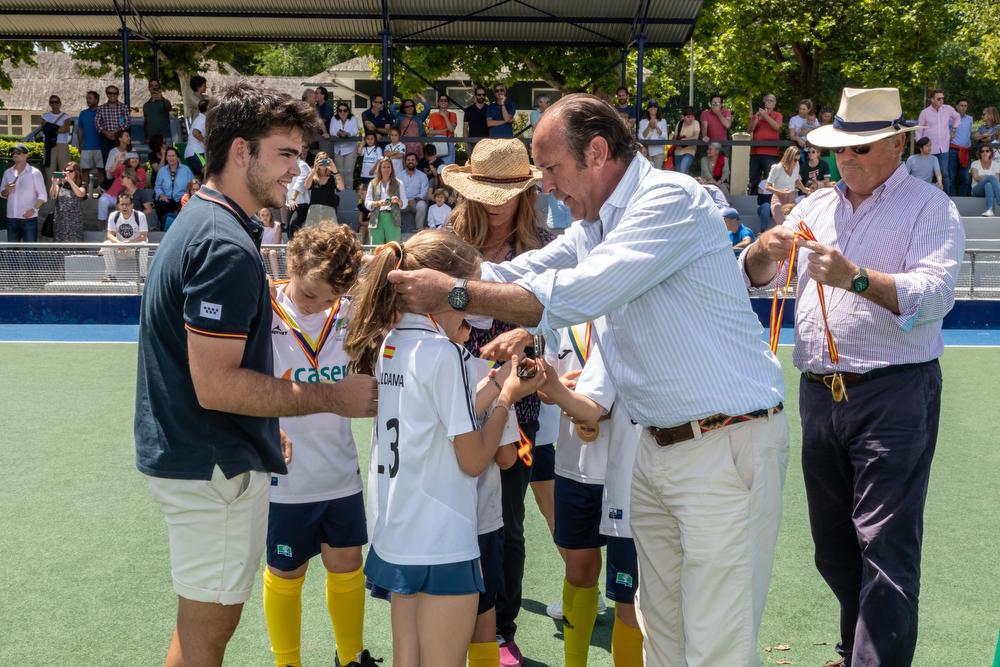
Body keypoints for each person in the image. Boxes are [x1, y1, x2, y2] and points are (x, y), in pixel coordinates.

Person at [387, 94, 788, 667]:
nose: (545, 186)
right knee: (664, 637)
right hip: (663, 447)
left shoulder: (668, 198)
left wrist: (453, 292)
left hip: (722, 445)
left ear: (597, 153)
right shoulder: (596, 224)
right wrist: (418, 267)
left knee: (716, 647)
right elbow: (515, 272)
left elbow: (571, 295)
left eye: (550, 168)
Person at [134, 83, 378, 667]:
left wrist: (271, 419)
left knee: (201, 627)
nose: (297, 171)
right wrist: (334, 398)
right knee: (207, 637)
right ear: (241, 151)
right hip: (211, 463)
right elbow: (215, 384)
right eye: (286, 154)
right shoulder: (223, 241)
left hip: (203, 455)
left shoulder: (208, 222)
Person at [742, 85, 964, 667]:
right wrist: (764, 248)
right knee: (835, 549)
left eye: (862, 148)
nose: (849, 157)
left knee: (885, 546)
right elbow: (758, 275)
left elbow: (937, 295)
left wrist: (856, 278)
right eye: (842, 148)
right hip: (820, 393)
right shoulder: (814, 206)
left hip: (895, 390)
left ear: (897, 143)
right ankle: (852, 647)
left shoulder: (928, 205)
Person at [344, 230, 544, 667]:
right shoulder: (445, 352)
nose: (471, 309)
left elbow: (438, 416)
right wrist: (508, 398)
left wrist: (495, 383)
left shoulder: (392, 345)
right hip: (443, 540)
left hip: (400, 534)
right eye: (464, 296)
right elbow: (472, 459)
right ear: (439, 291)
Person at [262, 223, 379, 667]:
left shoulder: (349, 311)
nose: (318, 306)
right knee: (286, 572)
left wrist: (365, 265)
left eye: (329, 298)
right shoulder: (262, 307)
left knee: (347, 565)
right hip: (284, 479)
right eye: (310, 295)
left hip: (338, 471)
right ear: (291, 266)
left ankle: (350, 656)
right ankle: (287, 661)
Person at [535, 322, 610, 667]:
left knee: (634, 582)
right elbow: (539, 380)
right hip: (574, 467)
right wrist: (550, 389)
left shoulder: (637, 311)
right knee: (579, 569)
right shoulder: (564, 319)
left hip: (629, 466)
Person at [916, 89, 960, 195]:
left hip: (944, 147)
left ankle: (947, 198)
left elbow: (957, 116)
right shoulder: (925, 112)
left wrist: (953, 129)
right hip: (929, 149)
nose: (941, 100)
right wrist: (920, 145)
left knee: (944, 173)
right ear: (932, 99)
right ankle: (929, 197)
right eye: (938, 98)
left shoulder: (948, 109)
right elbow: (919, 130)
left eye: (942, 98)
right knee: (929, 174)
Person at [1, 143, 48, 242]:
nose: (14, 154)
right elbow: (2, 194)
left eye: (18, 152)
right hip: (11, 218)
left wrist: (33, 210)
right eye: (13, 153)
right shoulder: (8, 172)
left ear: (26, 155)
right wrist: (6, 191)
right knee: (12, 253)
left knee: (30, 253)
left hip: (29, 219)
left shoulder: (35, 173)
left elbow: (43, 195)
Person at [102, 190, 149, 279]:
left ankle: (143, 276)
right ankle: (111, 275)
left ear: (132, 205)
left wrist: (129, 243)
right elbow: (109, 234)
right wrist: (120, 243)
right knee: (106, 244)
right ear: (118, 205)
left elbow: (144, 236)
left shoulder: (140, 216)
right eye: (121, 204)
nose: (124, 207)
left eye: (127, 204)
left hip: (134, 249)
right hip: (120, 248)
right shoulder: (113, 215)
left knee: (144, 244)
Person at [747, 93, 783, 194]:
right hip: (755, 152)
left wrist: (765, 116)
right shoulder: (757, 115)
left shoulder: (777, 115)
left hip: (770, 153)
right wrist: (756, 119)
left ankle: (769, 203)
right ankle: (753, 202)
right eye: (767, 100)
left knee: (770, 180)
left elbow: (777, 127)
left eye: (771, 100)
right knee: (753, 180)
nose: (769, 102)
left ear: (774, 104)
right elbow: (749, 130)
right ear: (764, 102)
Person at [364, 157, 405, 245]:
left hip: (393, 218)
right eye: (384, 167)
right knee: (375, 249)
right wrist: (377, 203)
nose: (386, 169)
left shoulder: (399, 183)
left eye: (388, 167)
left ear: (392, 169)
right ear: (380, 169)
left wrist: (398, 201)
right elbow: (367, 203)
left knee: (393, 249)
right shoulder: (373, 183)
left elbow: (404, 203)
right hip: (376, 218)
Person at [99, 152, 147, 224]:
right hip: (111, 195)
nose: (135, 160)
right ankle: (102, 226)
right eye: (133, 158)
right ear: (128, 160)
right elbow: (111, 171)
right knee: (102, 200)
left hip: (126, 197)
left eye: (137, 158)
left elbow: (135, 184)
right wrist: (118, 160)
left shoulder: (141, 171)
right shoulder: (122, 167)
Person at [154, 147, 195, 226]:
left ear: (177, 157)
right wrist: (161, 195)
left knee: (187, 205)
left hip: (181, 198)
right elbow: (157, 186)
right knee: (160, 205)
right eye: (169, 156)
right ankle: (163, 227)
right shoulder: (162, 171)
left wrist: (187, 196)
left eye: (173, 156)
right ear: (166, 158)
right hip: (167, 198)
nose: (171, 158)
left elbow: (192, 185)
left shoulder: (186, 170)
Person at [48, 161, 87, 242]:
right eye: (66, 170)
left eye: (71, 171)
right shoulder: (61, 184)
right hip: (60, 220)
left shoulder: (81, 184)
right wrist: (54, 183)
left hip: (75, 221)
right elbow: (52, 195)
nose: (68, 172)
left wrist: (70, 181)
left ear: (76, 172)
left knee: (74, 242)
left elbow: (80, 194)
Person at [304, 150, 345, 226]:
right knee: (312, 234)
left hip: (329, 209)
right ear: (316, 161)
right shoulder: (313, 177)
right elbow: (306, 186)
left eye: (325, 159)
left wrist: (335, 170)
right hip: (314, 210)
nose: (322, 162)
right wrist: (314, 171)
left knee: (330, 234)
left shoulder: (332, 177)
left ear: (328, 161)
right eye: (320, 159)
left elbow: (341, 188)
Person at [77, 91, 104, 196]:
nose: (88, 100)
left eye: (90, 98)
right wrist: (80, 144)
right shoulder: (83, 113)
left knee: (102, 171)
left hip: (100, 147)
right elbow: (80, 130)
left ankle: (101, 193)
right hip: (86, 147)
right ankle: (84, 194)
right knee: (85, 171)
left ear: (96, 100)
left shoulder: (102, 112)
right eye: (87, 98)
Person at [766, 146, 801, 224]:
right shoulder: (777, 168)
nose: (796, 162)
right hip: (778, 200)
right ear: (789, 157)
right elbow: (767, 186)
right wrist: (782, 192)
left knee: (794, 225)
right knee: (783, 225)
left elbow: (796, 180)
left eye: (798, 160)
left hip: (791, 199)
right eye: (795, 160)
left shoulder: (797, 165)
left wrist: (804, 189)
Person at [330, 103, 359, 191]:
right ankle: (339, 193)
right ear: (337, 112)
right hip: (338, 149)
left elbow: (355, 131)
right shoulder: (334, 118)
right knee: (339, 172)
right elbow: (331, 131)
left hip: (350, 148)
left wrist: (347, 134)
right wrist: (338, 134)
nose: (342, 112)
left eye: (345, 110)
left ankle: (348, 193)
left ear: (348, 111)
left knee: (349, 172)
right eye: (340, 110)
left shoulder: (353, 118)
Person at [96, 85, 129, 163]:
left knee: (122, 161)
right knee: (107, 161)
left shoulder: (123, 107)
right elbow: (97, 123)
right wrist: (106, 133)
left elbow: (126, 122)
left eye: (115, 93)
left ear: (118, 94)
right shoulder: (101, 108)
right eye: (110, 93)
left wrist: (116, 132)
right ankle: (108, 175)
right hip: (106, 139)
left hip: (120, 139)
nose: (112, 95)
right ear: (107, 94)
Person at [286, 143, 313, 238]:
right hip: (290, 203)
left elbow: (299, 183)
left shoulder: (303, 165)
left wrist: (292, 198)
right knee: (288, 228)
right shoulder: (288, 166)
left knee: (294, 226)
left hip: (301, 203)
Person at [40, 95, 72, 176]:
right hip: (49, 145)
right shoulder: (45, 116)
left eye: (56, 102)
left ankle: (64, 188)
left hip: (62, 144)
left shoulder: (65, 116)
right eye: (52, 102)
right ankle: (50, 188)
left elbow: (66, 129)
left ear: (60, 103)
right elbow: (45, 130)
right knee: (50, 170)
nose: (54, 104)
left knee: (64, 169)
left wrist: (50, 128)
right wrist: (57, 128)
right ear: (49, 104)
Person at [399, 152, 429, 233]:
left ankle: (419, 229)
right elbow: (396, 191)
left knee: (422, 205)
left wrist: (415, 200)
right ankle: (396, 229)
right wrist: (404, 201)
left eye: (413, 160)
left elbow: (424, 191)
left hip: (416, 202)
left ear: (416, 162)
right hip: (403, 203)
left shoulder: (422, 176)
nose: (410, 161)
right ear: (405, 162)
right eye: (408, 160)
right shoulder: (399, 176)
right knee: (393, 205)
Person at [427, 93, 458, 165]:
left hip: (448, 143)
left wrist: (444, 116)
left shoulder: (453, 114)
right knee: (436, 166)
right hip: (436, 143)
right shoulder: (433, 115)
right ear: (438, 103)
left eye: (445, 100)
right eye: (441, 100)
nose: (443, 102)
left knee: (447, 167)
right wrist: (444, 130)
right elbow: (431, 132)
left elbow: (451, 130)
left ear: (448, 103)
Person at [970, 144, 1000, 216]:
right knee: (991, 178)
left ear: (990, 152)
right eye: (982, 151)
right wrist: (989, 177)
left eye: (987, 151)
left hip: (990, 189)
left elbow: (997, 179)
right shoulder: (975, 163)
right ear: (980, 153)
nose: (984, 153)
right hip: (976, 190)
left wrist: (984, 177)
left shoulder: (996, 164)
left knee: (988, 184)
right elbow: (976, 178)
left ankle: (990, 210)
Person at [144, 78, 174, 144]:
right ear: (149, 88)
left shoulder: (165, 102)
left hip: (165, 137)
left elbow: (169, 108)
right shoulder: (146, 105)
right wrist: (147, 136)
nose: (154, 87)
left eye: (156, 86)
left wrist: (161, 98)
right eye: (151, 86)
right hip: (152, 138)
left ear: (159, 87)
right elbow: (146, 122)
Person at [184, 98, 209, 178]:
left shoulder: (200, 118)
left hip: (193, 153)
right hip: (196, 152)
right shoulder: (202, 119)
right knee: (207, 173)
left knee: (199, 177)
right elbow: (195, 132)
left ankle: (197, 190)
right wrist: (206, 141)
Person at [639, 101, 667, 169]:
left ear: (657, 109)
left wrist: (656, 127)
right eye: (651, 106)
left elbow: (665, 136)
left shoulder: (663, 121)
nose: (653, 108)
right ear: (648, 109)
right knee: (647, 172)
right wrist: (649, 126)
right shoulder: (642, 122)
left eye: (655, 106)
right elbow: (641, 137)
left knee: (657, 173)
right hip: (646, 152)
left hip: (659, 151)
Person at [673, 106, 700, 175]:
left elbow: (696, 136)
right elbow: (674, 138)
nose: (690, 119)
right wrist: (679, 140)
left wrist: (684, 139)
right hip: (678, 152)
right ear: (683, 117)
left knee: (683, 169)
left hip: (690, 151)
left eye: (692, 116)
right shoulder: (679, 123)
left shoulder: (696, 123)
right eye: (688, 117)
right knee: (678, 174)